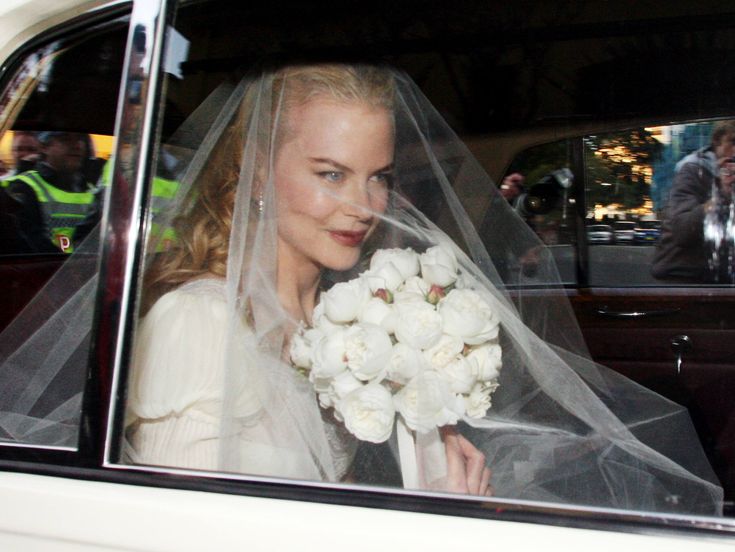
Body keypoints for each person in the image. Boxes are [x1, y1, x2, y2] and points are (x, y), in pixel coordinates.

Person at [1, 64, 719, 512]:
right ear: (253, 175)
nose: (364, 206)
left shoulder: (373, 307)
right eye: (329, 174)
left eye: (377, 176)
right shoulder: (197, 323)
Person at [652, 120, 735, 283]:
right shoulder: (693, 170)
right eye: (733, 142)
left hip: (720, 277)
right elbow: (682, 231)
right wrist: (720, 197)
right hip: (683, 275)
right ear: (718, 142)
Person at [1, 131, 98, 254]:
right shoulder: (23, 188)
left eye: (80, 139)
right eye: (65, 139)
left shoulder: (92, 190)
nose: (77, 145)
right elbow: (29, 247)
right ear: (44, 147)